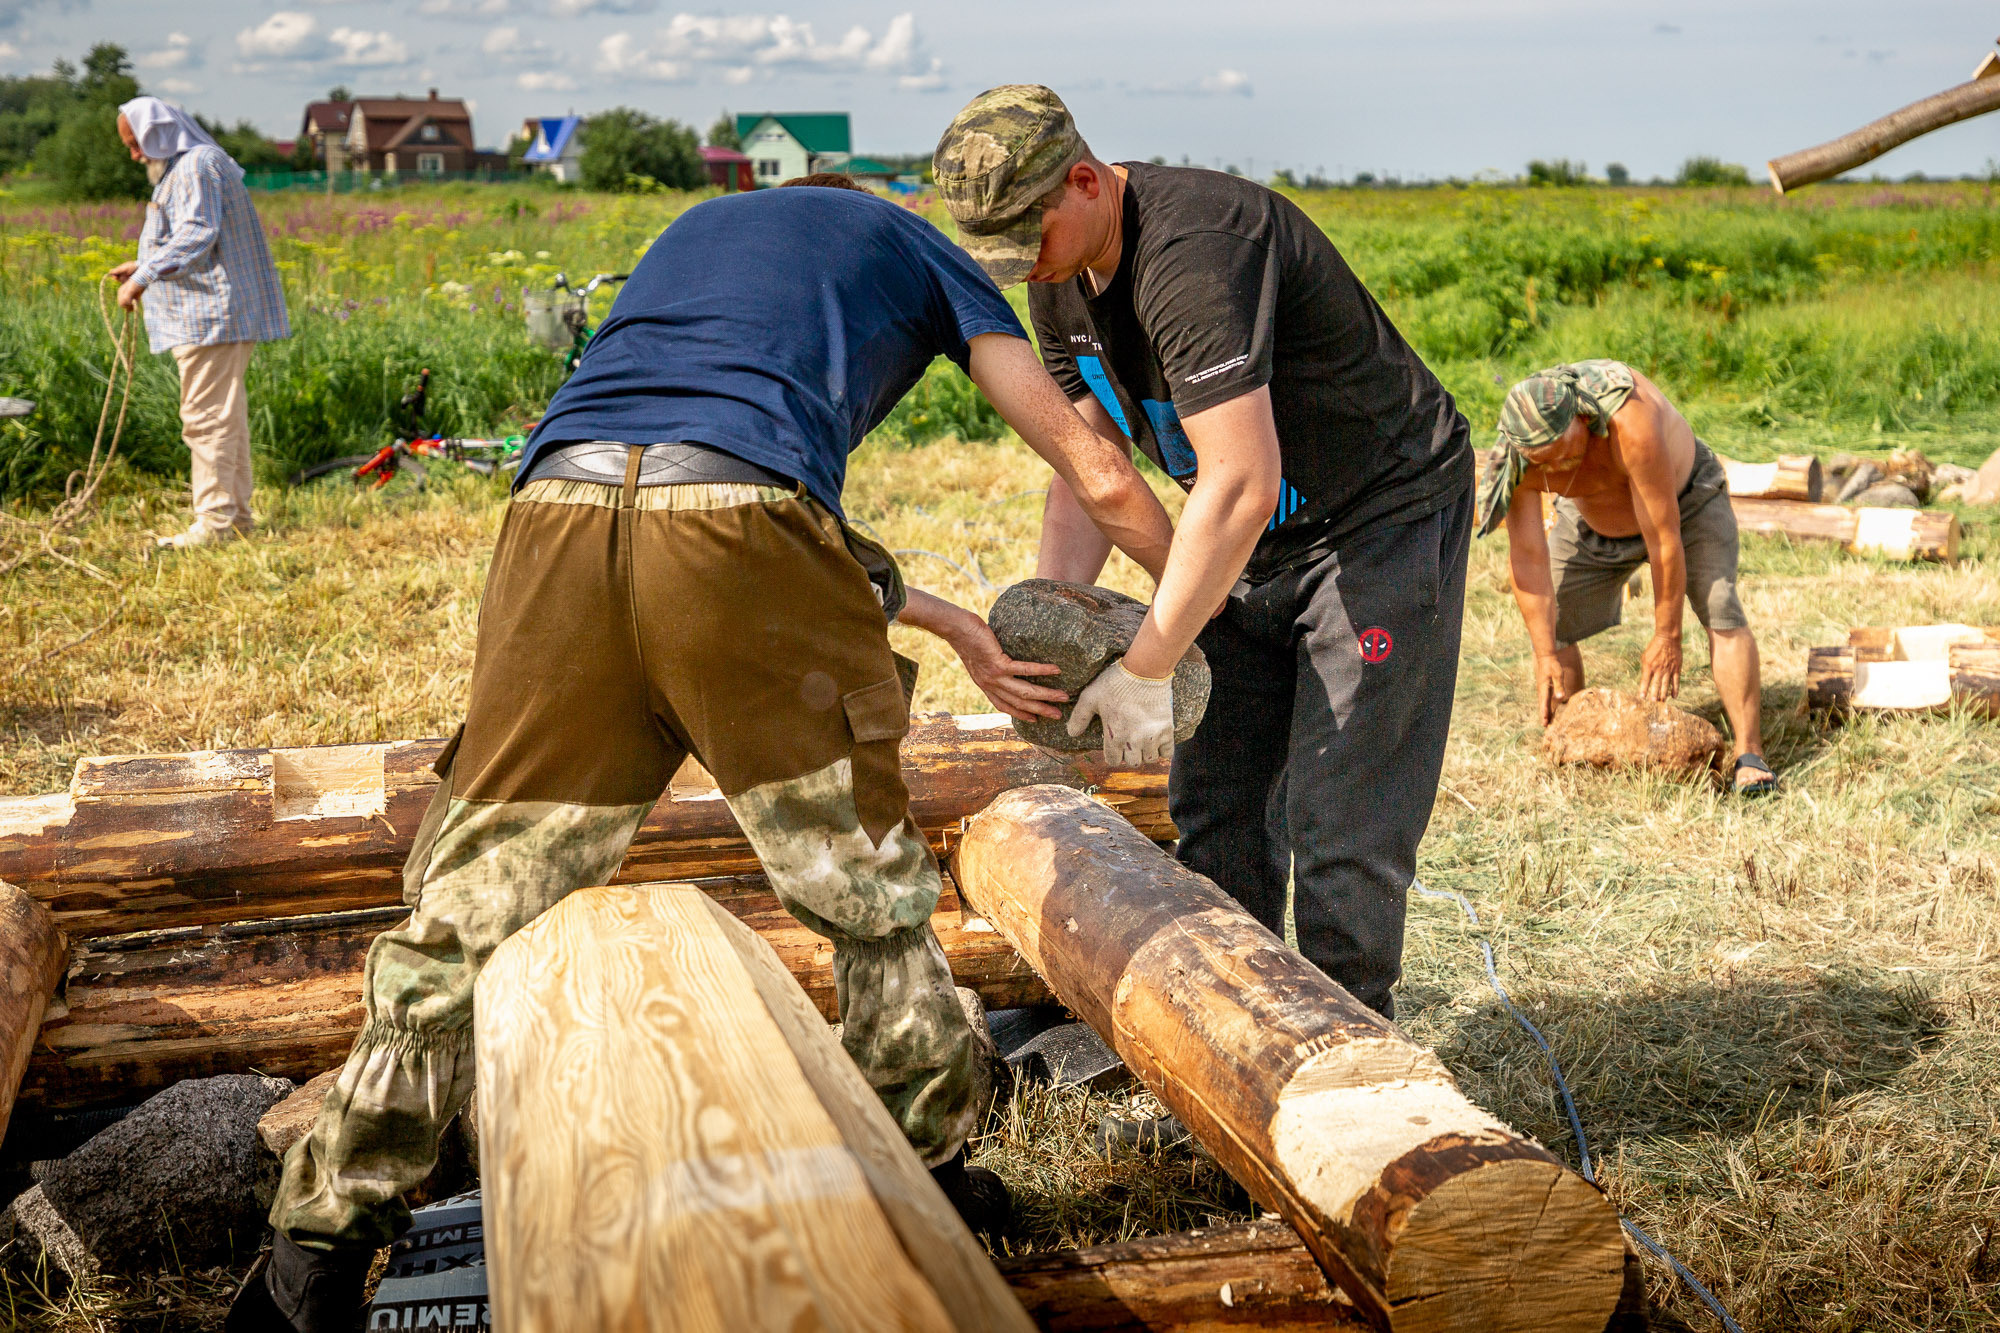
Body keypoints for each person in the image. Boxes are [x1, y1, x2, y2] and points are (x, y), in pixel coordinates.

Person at [230, 176, 1177, 1332]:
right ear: (872, 205)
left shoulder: (691, 232)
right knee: (864, 891)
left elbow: (664, 461)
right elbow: (1093, 470)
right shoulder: (916, 246)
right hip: (743, 530)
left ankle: (312, 1253)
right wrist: (1170, 639)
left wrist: (944, 622)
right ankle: (929, 1173)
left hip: (552, 521)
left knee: (462, 916)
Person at [932, 87, 1475, 1021]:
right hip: (1240, 539)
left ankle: (1352, 1059)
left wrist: (1148, 666)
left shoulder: (1196, 250)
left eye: (1036, 239)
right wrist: (1058, 621)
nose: (1029, 271)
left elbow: (1242, 482)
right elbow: (1087, 464)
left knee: (1341, 823)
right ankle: (1236, 1038)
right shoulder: (1062, 280)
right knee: (1216, 807)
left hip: (1372, 518)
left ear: (1087, 179)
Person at [1481, 360, 1774, 794]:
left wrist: (1666, 634)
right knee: (1552, 625)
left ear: (1581, 415)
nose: (1560, 467)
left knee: (1720, 607)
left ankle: (1750, 754)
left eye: (1567, 452)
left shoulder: (1629, 422)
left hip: (1684, 503)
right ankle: (1571, 741)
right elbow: (1527, 556)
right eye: (1548, 463)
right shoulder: (1519, 458)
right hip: (1591, 520)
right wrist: (1543, 654)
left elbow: (1664, 539)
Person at [107, 97, 289, 549]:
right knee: (225, 419)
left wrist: (146, 275)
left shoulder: (196, 165)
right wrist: (143, 264)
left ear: (159, 132)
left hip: (211, 317)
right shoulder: (187, 167)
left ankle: (213, 523)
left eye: (136, 144)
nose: (134, 155)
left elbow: (197, 233)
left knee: (206, 419)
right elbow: (194, 237)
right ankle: (235, 518)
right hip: (206, 317)